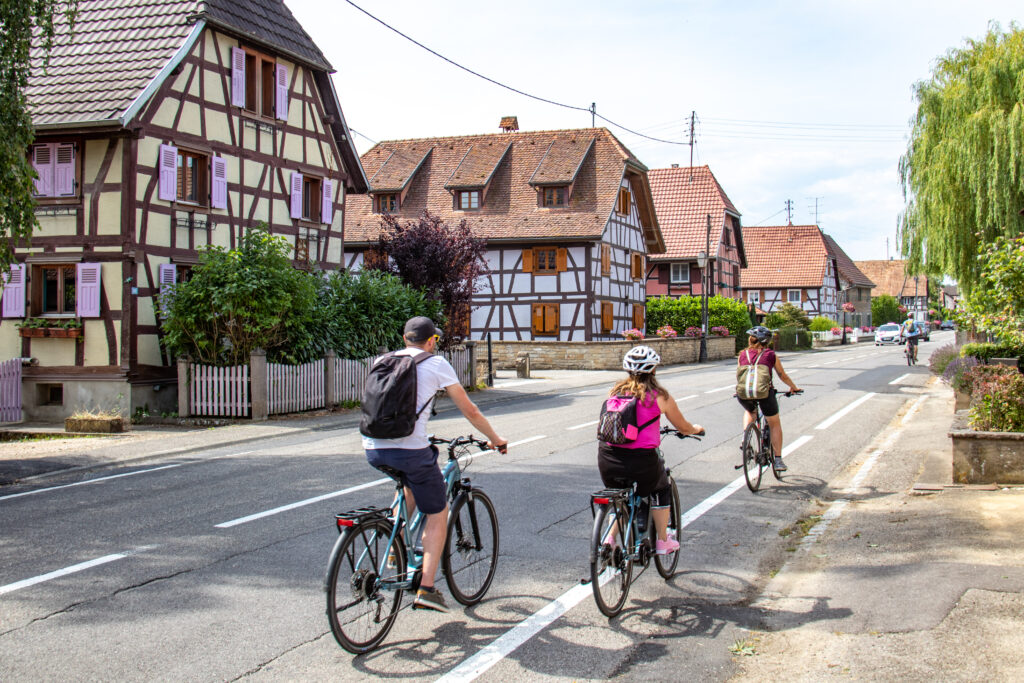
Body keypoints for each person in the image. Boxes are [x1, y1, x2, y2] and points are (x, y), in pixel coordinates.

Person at [363, 317, 508, 613]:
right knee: (438, 512)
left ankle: (396, 547)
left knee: (409, 485)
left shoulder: (383, 359)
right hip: (410, 451)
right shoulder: (436, 364)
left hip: (373, 447)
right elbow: (470, 408)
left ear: (405, 339)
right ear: (431, 341)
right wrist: (494, 438)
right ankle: (427, 588)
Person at [598, 345, 704, 555]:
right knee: (660, 488)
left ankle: (609, 539)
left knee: (619, 496)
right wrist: (696, 429)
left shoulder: (614, 393)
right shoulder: (659, 396)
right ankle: (663, 541)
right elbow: (683, 426)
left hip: (608, 459)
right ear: (653, 370)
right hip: (641, 462)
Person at [736, 326, 801, 472]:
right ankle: (778, 459)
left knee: (750, 411)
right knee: (774, 423)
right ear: (767, 341)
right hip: (765, 393)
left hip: (744, 393)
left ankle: (745, 438)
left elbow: (739, 375)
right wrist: (793, 387)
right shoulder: (770, 355)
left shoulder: (742, 354)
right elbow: (782, 375)